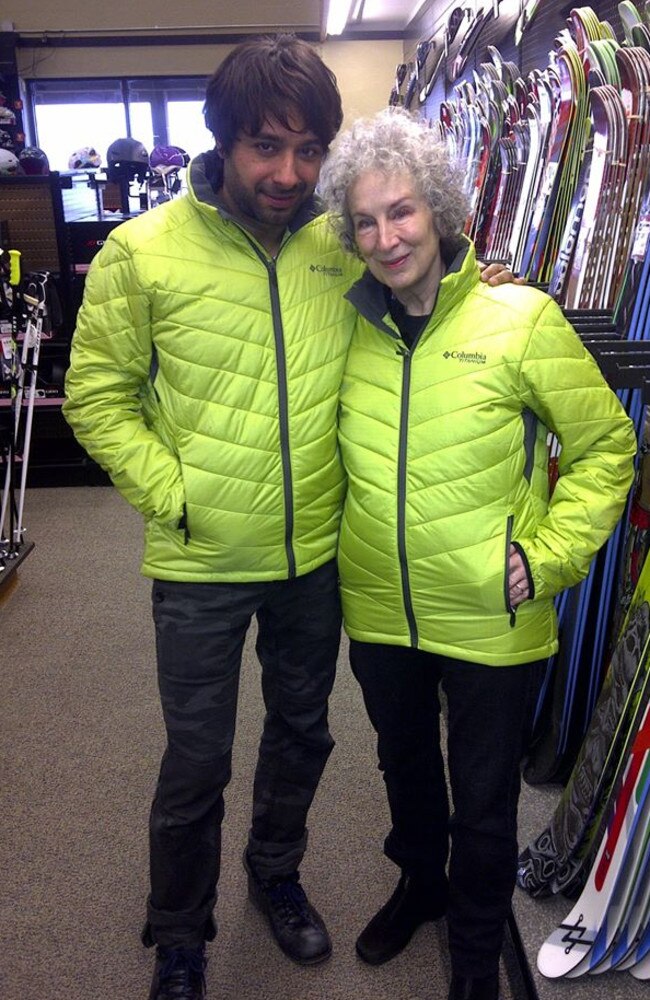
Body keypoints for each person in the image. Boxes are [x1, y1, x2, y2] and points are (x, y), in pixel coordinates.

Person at [63, 36, 517, 1000]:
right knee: (197, 759)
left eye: (309, 149)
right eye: (268, 146)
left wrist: (497, 283)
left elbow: (424, 281)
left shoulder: (335, 239)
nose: (289, 172)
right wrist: (175, 494)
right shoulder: (141, 253)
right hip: (201, 561)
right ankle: (180, 930)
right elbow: (98, 397)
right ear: (222, 142)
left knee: (302, 732)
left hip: (316, 555)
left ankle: (276, 869)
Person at [318, 108, 637, 1000]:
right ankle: (420, 882)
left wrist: (548, 555)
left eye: (404, 212)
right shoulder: (347, 327)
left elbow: (610, 446)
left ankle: (471, 954)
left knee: (485, 801)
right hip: (380, 606)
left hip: (494, 616)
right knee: (404, 765)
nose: (386, 238)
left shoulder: (520, 316)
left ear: (443, 209)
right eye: (367, 221)